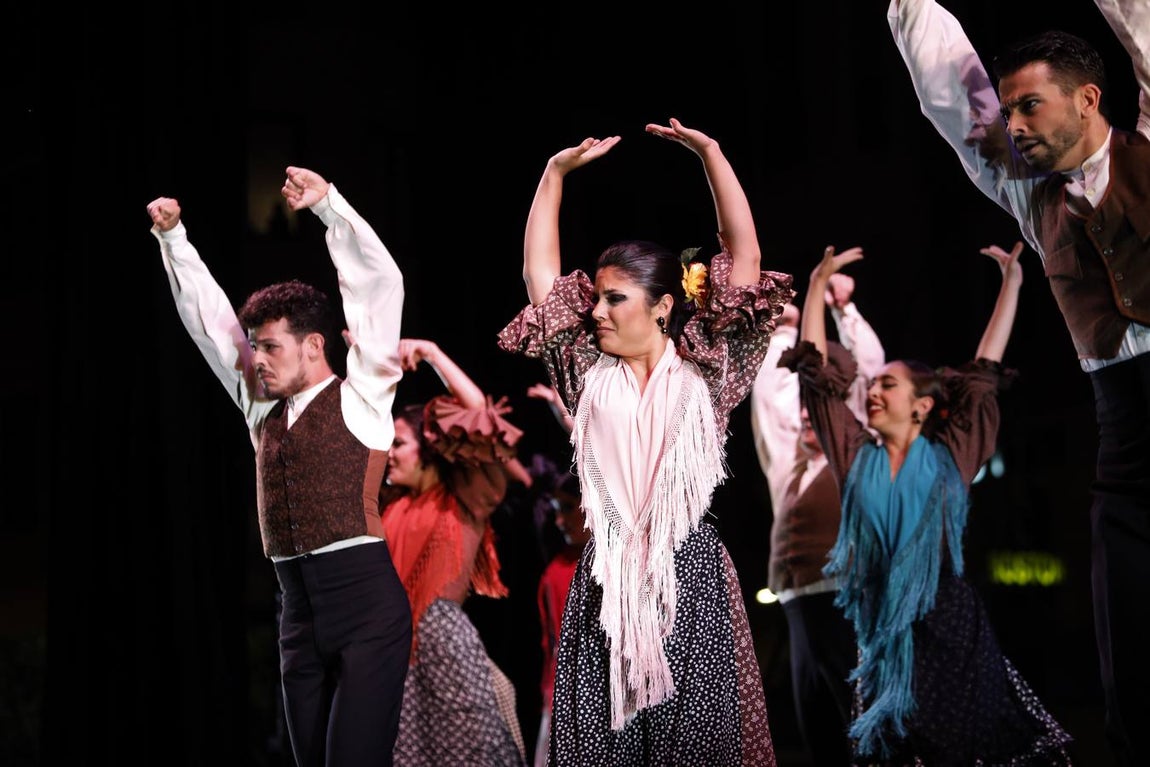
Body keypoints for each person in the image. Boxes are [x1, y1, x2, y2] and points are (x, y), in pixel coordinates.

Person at [887, 1, 1150, 761]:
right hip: (1123, 442)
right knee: (1128, 649)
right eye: (1009, 110)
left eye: (1030, 105)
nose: (1015, 123)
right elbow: (948, 89)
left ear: (1088, 99)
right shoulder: (1027, 193)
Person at [497, 118, 793, 766]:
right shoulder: (585, 371)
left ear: (662, 307)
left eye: (614, 298)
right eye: (596, 298)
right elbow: (539, 276)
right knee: (607, 747)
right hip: (607, 580)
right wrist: (553, 174)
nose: (596, 310)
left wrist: (712, 153)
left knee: (696, 744)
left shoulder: (709, 370)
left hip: (688, 574)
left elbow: (742, 258)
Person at [146, 167, 411, 767]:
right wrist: (174, 240)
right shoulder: (260, 409)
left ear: (314, 346)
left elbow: (378, 287)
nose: (257, 359)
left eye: (270, 347)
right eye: (255, 346)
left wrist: (329, 209)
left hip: (366, 608)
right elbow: (211, 327)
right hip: (297, 613)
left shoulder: (364, 394)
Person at [782, 242, 1072, 765]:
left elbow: (985, 370)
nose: (872, 392)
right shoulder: (854, 456)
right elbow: (818, 381)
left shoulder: (951, 455)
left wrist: (1012, 286)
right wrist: (817, 286)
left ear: (922, 405)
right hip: (882, 638)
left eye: (886, 386)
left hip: (951, 630)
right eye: (873, 385)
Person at [749, 264, 885, 766]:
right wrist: (784, 329)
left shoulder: (855, 449)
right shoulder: (788, 458)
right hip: (797, 599)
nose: (805, 414)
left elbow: (867, 370)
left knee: (862, 720)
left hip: (851, 593)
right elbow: (770, 392)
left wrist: (842, 310)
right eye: (800, 409)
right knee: (817, 723)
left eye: (816, 407)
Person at [380, 338, 528, 767]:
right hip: (392, 664)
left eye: (399, 444)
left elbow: (480, 415)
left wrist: (432, 353)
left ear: (427, 449)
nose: (389, 454)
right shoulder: (388, 508)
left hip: (443, 655)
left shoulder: (465, 496)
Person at [532, 472, 588, 767]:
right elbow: (552, 643)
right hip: (564, 695)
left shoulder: (618, 565)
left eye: (567, 507)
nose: (559, 520)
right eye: (556, 509)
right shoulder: (556, 571)